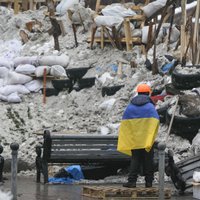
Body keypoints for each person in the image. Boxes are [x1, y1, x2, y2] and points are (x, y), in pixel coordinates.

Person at [117, 83, 159, 188]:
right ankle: (149, 182)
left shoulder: (130, 107)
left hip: (135, 139)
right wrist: (151, 135)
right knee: (148, 160)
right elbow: (156, 121)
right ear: (148, 93)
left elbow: (125, 124)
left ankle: (132, 181)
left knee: (135, 159)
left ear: (138, 93)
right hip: (147, 139)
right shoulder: (150, 107)